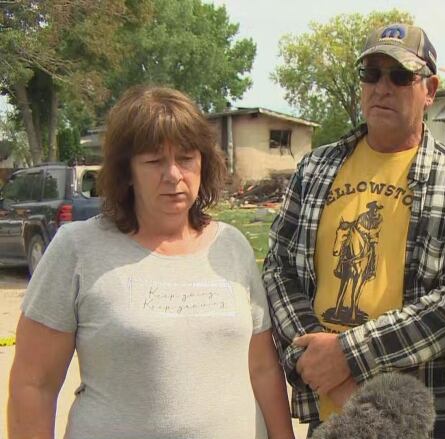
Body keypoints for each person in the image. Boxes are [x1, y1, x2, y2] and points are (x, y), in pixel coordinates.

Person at [7, 86, 294, 439]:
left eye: (186, 158)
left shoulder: (232, 247)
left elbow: (263, 369)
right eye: (154, 161)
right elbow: (34, 384)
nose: (173, 174)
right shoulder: (77, 249)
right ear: (126, 171)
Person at [263, 23, 445, 439]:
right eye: (370, 74)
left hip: (427, 417)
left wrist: (349, 356)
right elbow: (279, 268)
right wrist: (316, 360)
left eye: (400, 75)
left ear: (431, 89)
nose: (381, 87)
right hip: (329, 411)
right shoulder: (315, 168)